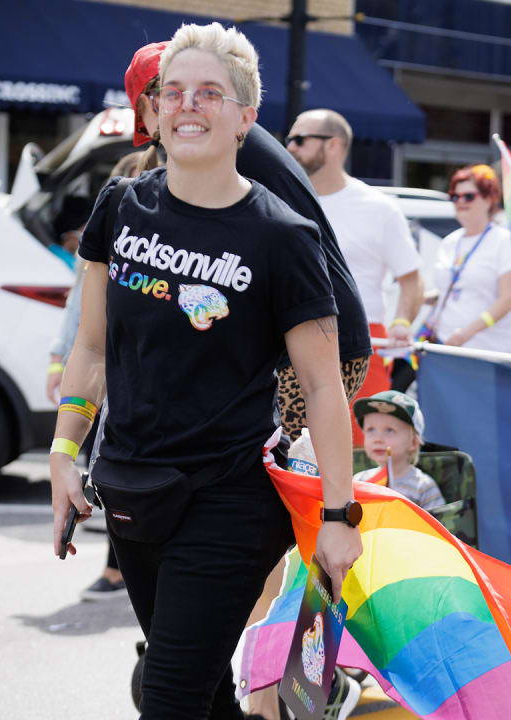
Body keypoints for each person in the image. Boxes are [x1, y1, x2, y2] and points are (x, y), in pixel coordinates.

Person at [48, 23, 364, 719]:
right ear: (154, 111)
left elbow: (319, 386)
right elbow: (93, 348)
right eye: (174, 92)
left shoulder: (283, 236)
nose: (188, 105)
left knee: (166, 695)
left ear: (246, 117)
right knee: (198, 689)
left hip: (230, 500)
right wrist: (66, 450)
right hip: (134, 488)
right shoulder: (119, 205)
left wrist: (341, 514)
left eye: (211, 93)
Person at [121, 41, 372, 444]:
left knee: (273, 470)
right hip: (313, 323)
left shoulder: (221, 138)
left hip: (317, 329)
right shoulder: (225, 130)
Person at [46, 150, 145, 603]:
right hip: (102, 382)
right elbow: (80, 321)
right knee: (101, 469)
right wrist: (57, 361)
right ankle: (114, 567)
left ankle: (116, 568)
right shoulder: (105, 236)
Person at [286, 108, 424, 399]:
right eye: (290, 139)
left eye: (300, 139)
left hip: (360, 340)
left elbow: (411, 279)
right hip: (291, 335)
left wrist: (401, 322)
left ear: (333, 145)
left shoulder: (379, 208)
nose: (290, 147)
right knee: (294, 442)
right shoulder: (282, 200)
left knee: (358, 441)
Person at [426, 164, 511, 352]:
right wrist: (421, 296)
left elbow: (509, 299)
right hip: (446, 346)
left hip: (488, 352)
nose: (460, 201)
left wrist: (466, 333)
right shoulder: (449, 242)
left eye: (468, 196)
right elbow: (456, 288)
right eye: (455, 196)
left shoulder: (503, 240)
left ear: (488, 199)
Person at [353, 390, 446, 509]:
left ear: (413, 442)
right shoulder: (360, 481)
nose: (378, 439)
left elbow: (438, 524)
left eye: (389, 430)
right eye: (371, 429)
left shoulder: (423, 486)